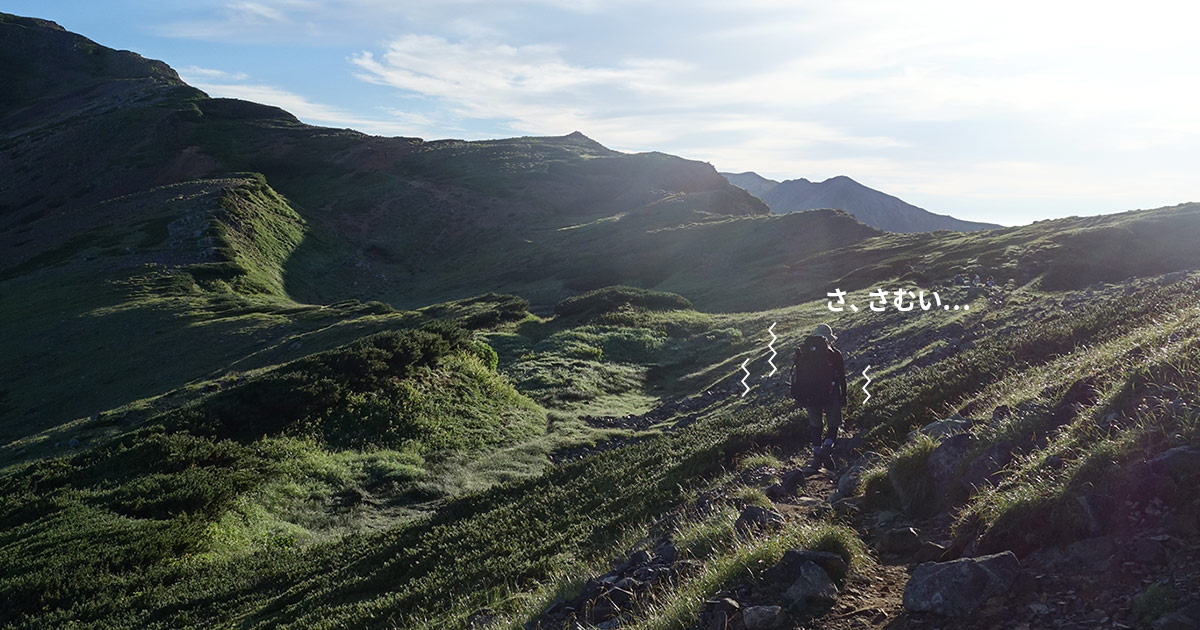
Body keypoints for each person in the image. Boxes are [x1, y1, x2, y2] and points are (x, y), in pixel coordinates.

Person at [790, 324, 848, 469]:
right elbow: (842, 377)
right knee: (833, 425)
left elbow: (797, 375)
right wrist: (843, 396)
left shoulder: (804, 353)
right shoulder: (834, 354)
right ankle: (827, 449)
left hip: (809, 395)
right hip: (831, 394)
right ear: (830, 338)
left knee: (816, 426)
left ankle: (816, 453)